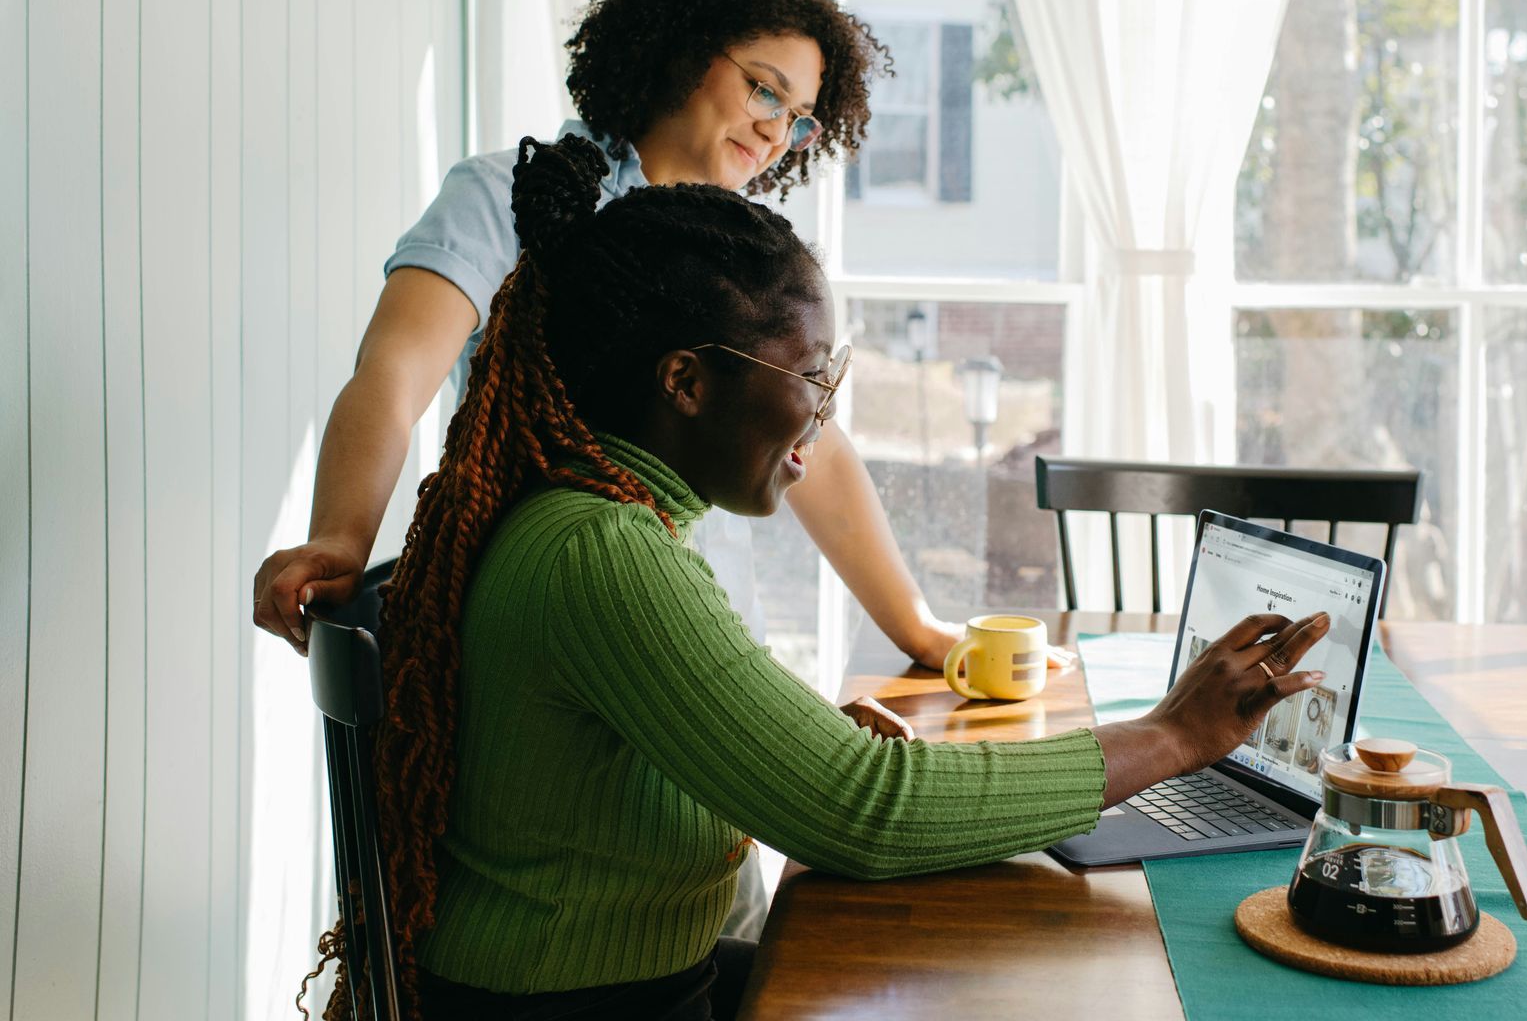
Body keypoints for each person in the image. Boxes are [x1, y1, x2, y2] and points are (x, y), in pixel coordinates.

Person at [302, 137, 1331, 1021]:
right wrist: (1175, 736)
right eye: (812, 378)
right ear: (686, 382)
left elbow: (762, 768)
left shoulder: (609, 523)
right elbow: (863, 813)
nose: (823, 417)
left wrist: (810, 752)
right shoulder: (600, 552)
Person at [252, 0, 1023, 675]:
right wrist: (341, 537)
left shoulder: (746, 254)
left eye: (797, 120)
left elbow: (810, 447)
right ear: (682, 51)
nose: (774, 131)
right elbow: (392, 374)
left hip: (707, 642)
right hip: (562, 640)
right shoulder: (507, 196)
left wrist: (919, 632)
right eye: (764, 91)